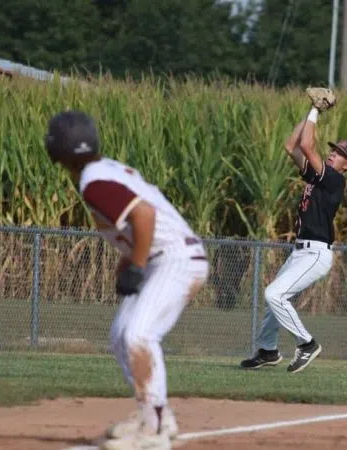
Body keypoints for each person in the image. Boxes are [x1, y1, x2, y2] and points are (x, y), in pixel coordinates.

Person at [44, 110, 209, 450]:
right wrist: (129, 261)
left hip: (174, 260)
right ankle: (155, 412)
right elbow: (141, 219)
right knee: (121, 336)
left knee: (139, 334)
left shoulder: (93, 180)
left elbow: (144, 215)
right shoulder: (105, 170)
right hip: (167, 257)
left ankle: (154, 430)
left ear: (57, 148)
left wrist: (135, 263)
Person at [240, 87, 347, 374]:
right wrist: (311, 109)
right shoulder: (319, 176)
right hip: (299, 251)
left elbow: (307, 145)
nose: (333, 154)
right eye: (333, 150)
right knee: (275, 303)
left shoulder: (332, 181)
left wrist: (317, 111)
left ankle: (306, 344)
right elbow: (292, 144)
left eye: (340, 153)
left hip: (316, 254)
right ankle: (268, 350)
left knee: (274, 295)